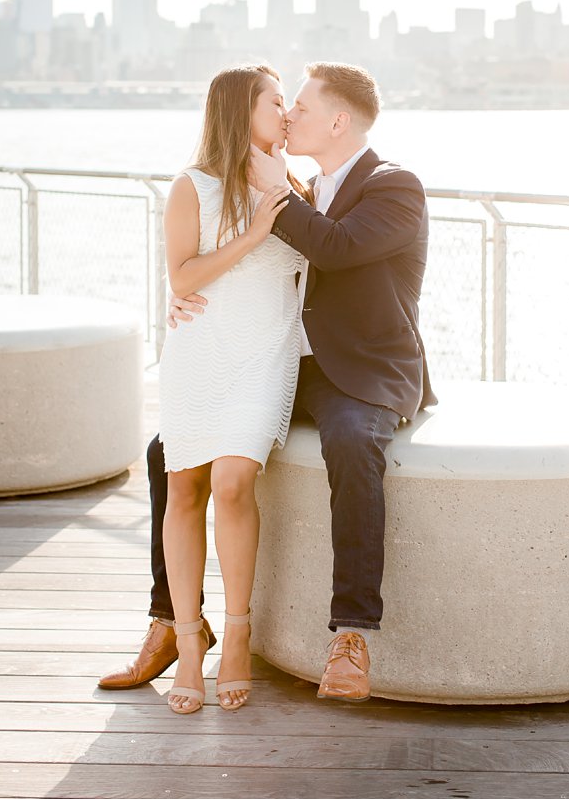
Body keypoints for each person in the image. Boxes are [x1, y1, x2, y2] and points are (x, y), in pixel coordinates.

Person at [100, 61, 434, 704]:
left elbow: (332, 250)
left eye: (299, 107)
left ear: (338, 121)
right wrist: (190, 297)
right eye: (282, 105)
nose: (288, 116)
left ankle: (352, 635)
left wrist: (269, 196)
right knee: (164, 454)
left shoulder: (393, 186)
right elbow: (242, 272)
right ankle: (170, 622)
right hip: (284, 359)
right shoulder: (299, 186)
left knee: (352, 443)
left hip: (360, 369)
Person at [155, 65, 304, 714]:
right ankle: (190, 643)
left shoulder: (300, 186)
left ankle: (238, 633)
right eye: (277, 102)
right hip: (200, 355)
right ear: (243, 111)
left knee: (234, 478)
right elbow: (184, 279)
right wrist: (253, 234)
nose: (288, 112)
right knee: (183, 486)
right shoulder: (193, 185)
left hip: (266, 355)